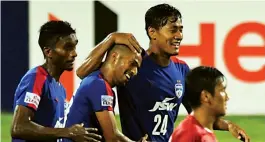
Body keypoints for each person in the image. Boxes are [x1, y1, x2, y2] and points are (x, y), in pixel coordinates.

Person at [75, 3, 250, 142]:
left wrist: (228, 126)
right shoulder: (132, 63)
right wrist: (111, 38)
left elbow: (198, 114)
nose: (179, 35)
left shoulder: (182, 69)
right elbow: (83, 72)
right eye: (173, 30)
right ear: (153, 32)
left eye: (181, 29)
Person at [11, 20, 101, 142]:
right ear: (48, 52)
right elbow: (19, 127)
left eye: (74, 47)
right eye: (68, 48)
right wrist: (67, 132)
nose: (74, 53)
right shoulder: (36, 78)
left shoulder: (60, 89)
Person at [64, 44, 147, 142]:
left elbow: (113, 133)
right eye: (133, 63)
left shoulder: (97, 81)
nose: (135, 71)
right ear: (115, 57)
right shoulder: (99, 85)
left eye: (137, 68)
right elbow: (112, 139)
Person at [171, 66, 229, 142]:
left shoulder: (198, 130)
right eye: (222, 90)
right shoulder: (191, 134)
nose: (227, 97)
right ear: (206, 96)